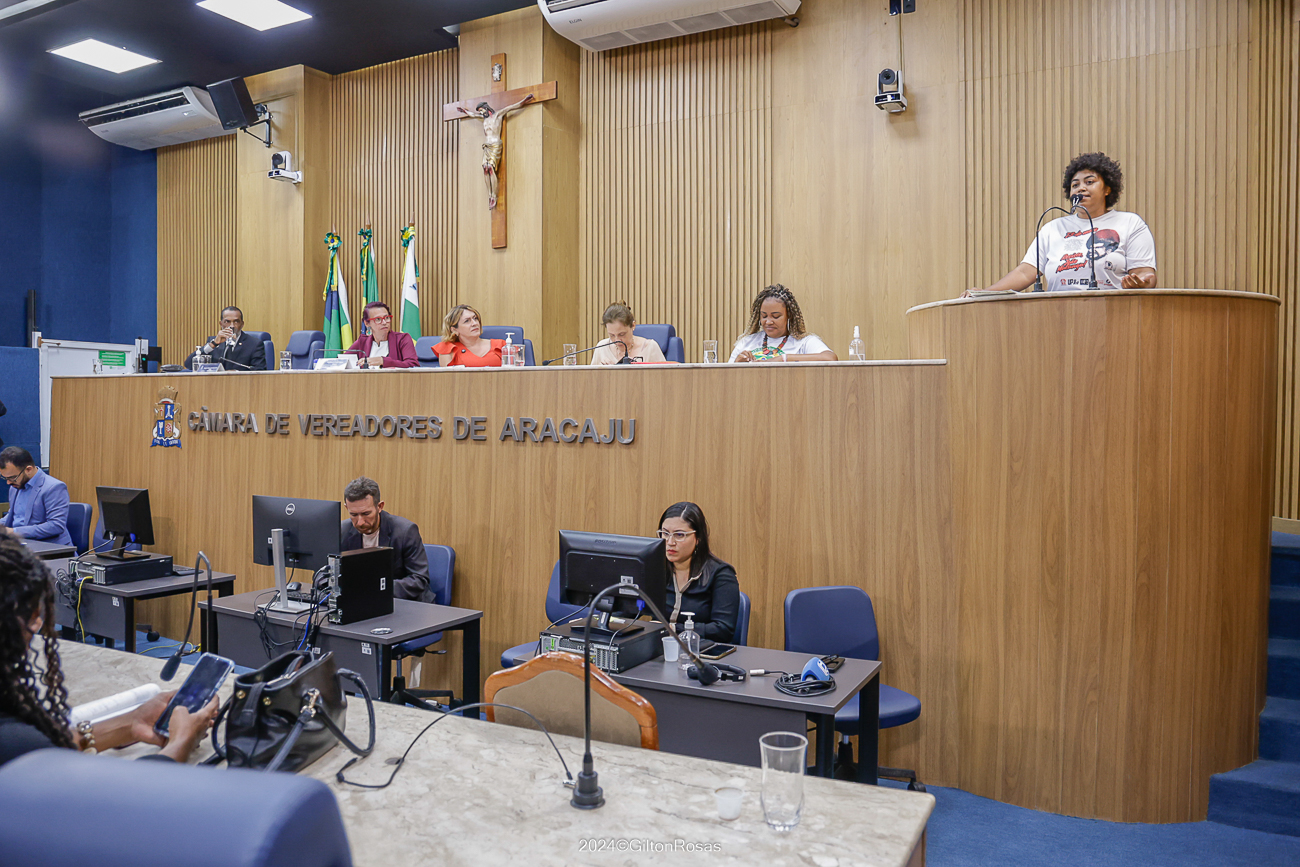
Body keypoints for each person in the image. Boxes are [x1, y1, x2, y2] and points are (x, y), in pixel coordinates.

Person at [0, 531, 218, 767]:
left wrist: (132, 723)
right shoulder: (15, 742)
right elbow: (129, 790)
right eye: (34, 614)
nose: (39, 623)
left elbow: (48, 746)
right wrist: (182, 741)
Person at [970, 152, 1157, 294]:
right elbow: (1025, 273)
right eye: (1075, 185)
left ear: (1107, 188)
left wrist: (1141, 283)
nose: (1081, 188)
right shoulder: (1053, 228)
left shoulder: (1130, 223)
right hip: (1058, 318)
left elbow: (1144, 274)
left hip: (1113, 315)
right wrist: (985, 293)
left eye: (1089, 182)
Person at [337, 477, 434, 603]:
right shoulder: (342, 531)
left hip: (404, 602)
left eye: (366, 514)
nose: (360, 522)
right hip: (360, 602)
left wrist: (374, 588)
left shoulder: (405, 531)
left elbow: (419, 579)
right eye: (354, 515)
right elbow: (323, 575)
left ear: (380, 506)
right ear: (346, 508)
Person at [658, 502, 740, 643]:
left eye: (679, 535)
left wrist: (672, 629)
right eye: (665, 533)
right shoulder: (655, 568)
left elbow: (723, 630)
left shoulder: (721, 574)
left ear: (698, 538)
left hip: (701, 650)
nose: (670, 542)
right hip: (658, 649)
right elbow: (629, 611)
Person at [728, 284, 837, 363]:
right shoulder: (747, 342)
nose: (768, 321)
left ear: (789, 316)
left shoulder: (803, 342)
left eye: (775, 316)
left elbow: (830, 358)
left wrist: (783, 358)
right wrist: (736, 364)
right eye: (764, 316)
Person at [1, 446, 72, 546]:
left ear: (28, 469)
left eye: (12, 478)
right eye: (5, 478)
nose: (8, 483)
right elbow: (14, 515)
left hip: (49, 546)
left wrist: (13, 531)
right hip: (21, 543)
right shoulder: (15, 486)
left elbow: (56, 526)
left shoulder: (54, 487)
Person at [184, 306, 266, 371]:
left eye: (236, 321)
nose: (232, 326)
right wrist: (213, 344)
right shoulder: (213, 342)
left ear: (242, 324)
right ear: (221, 324)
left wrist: (236, 373)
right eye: (227, 322)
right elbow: (188, 365)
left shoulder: (254, 344)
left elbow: (260, 371)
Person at [346, 301, 419, 369]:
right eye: (378, 319)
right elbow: (343, 361)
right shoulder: (362, 342)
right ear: (367, 323)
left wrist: (382, 361)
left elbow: (413, 365)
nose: (384, 322)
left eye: (386, 318)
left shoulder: (402, 339)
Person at [590, 301, 667, 365]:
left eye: (622, 334)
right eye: (612, 335)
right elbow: (592, 378)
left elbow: (665, 377)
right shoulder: (602, 348)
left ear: (633, 325)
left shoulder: (650, 347)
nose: (617, 340)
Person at [433, 305, 506, 367]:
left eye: (475, 318)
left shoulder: (501, 346)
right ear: (454, 330)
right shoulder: (447, 349)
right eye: (467, 321)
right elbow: (447, 377)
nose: (474, 323)